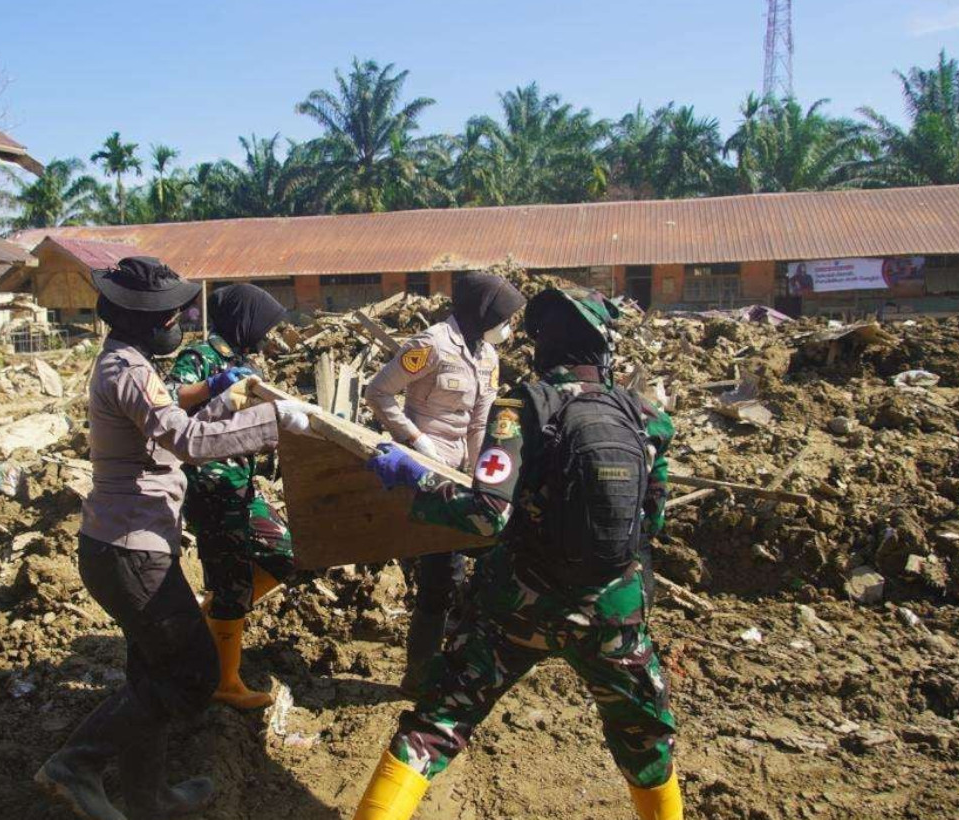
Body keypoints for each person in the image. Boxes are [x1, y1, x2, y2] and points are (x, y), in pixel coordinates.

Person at [354, 288, 682, 820]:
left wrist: (415, 482)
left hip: (518, 606)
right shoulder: (649, 419)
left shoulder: (521, 408)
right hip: (613, 612)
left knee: (436, 724)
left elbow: (488, 514)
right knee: (646, 738)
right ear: (605, 347)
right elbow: (653, 522)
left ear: (543, 344)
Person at [35, 257, 318, 820]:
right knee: (192, 675)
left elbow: (172, 431)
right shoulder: (128, 370)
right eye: (169, 314)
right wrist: (275, 421)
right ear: (143, 319)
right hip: (129, 550)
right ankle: (75, 764)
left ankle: (148, 798)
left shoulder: (129, 362)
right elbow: (189, 443)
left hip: (130, 544)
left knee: (150, 673)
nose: (179, 321)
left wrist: (223, 401)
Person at [363, 271, 525, 696]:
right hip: (424, 473)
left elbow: (480, 422)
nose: (508, 328)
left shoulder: (488, 356)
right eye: (504, 319)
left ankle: (459, 661)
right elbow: (378, 392)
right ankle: (419, 675)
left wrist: (481, 474)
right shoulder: (430, 345)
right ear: (482, 312)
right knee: (440, 574)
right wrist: (415, 439)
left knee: (479, 566)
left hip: (461, 477)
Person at [166, 283, 297, 710]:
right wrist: (214, 385)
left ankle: (213, 618)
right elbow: (169, 400)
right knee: (232, 580)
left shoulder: (243, 361)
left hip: (240, 482)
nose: (266, 333)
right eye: (262, 324)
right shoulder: (201, 357)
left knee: (284, 553)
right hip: (210, 483)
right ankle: (224, 680)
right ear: (244, 320)